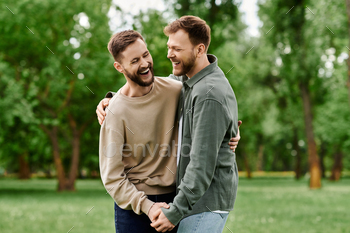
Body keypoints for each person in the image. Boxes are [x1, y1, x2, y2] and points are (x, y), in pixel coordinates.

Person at [98, 28, 241, 233]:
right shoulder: (114, 111)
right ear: (119, 67)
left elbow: (214, 96)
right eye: (135, 60)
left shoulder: (174, 89)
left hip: (174, 201)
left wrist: (232, 130)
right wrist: (147, 206)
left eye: (146, 55)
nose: (145, 64)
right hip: (134, 209)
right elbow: (112, 178)